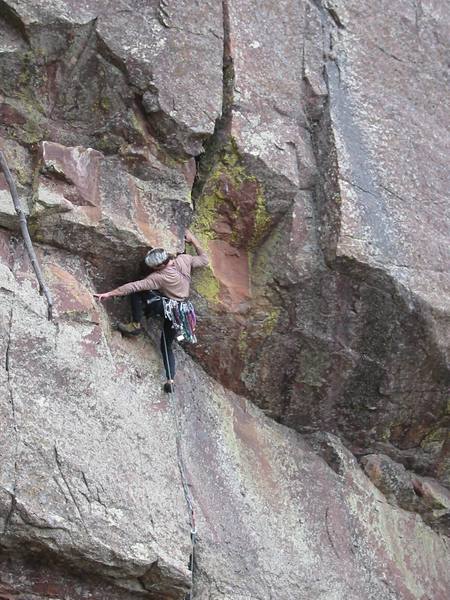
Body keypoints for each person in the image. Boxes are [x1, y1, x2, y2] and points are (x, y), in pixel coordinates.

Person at [94, 230, 209, 392]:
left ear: (160, 265)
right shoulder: (185, 260)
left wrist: (109, 293)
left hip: (167, 307)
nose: (153, 269)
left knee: (138, 292)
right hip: (181, 312)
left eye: (154, 267)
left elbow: (134, 286)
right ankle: (170, 380)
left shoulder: (159, 277)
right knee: (166, 344)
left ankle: (136, 324)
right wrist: (193, 240)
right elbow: (204, 259)